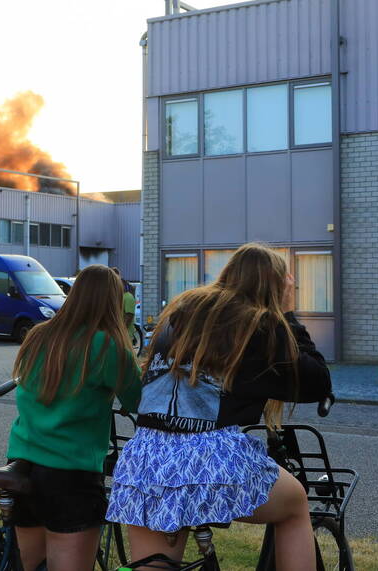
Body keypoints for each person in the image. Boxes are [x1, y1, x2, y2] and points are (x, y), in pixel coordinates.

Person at [106, 243, 332, 570]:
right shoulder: (258, 324)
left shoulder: (182, 311)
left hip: (146, 457)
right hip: (206, 457)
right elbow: (316, 381)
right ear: (276, 286)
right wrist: (286, 314)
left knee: (154, 566)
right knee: (295, 503)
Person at [7, 264, 143, 570]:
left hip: (23, 464)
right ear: (114, 301)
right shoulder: (107, 345)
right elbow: (138, 400)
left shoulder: (40, 335)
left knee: (29, 564)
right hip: (70, 472)